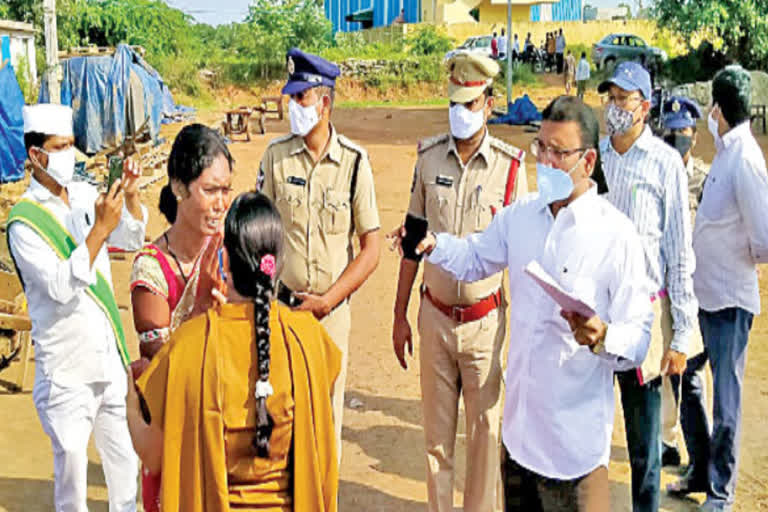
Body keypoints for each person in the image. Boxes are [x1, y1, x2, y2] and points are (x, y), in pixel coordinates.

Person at [410, 95, 653, 512]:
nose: (546, 162)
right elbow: (475, 257)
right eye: (541, 148)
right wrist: (434, 245)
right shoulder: (520, 217)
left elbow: (640, 338)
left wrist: (604, 336)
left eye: (559, 153)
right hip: (520, 444)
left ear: (588, 162)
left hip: (577, 454)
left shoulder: (617, 237)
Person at [126, 191, 342, 511]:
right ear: (279, 263)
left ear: (223, 260)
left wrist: (130, 398)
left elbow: (154, 456)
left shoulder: (189, 346)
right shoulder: (309, 339)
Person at [389, 53, 527, 512]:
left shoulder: (510, 169)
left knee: (486, 437)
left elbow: (523, 254)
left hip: (486, 325)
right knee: (436, 441)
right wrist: (399, 314)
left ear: (489, 104)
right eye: (454, 102)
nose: (459, 112)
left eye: (469, 104)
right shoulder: (428, 159)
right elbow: (412, 240)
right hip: (434, 319)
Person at [7, 104, 146, 511]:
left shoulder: (85, 195)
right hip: (67, 372)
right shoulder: (24, 222)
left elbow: (131, 237)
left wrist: (131, 199)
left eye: (71, 144)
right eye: (60, 146)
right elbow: (59, 286)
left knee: (126, 476)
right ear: (37, 156)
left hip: (107, 360)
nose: (70, 153)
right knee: (73, 488)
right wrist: (100, 229)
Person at [258, 48, 381, 459]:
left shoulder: (354, 164)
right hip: (284, 310)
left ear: (324, 102)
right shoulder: (275, 157)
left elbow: (371, 247)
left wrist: (330, 299)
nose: (293, 106)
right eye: (291, 97)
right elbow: (260, 235)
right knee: (281, 419)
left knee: (326, 423)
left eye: (301, 98)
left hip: (331, 314)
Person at [598, 62, 700, 512]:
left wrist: (681, 335)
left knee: (644, 448)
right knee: (590, 438)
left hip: (641, 322)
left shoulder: (663, 165)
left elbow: (679, 254)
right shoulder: (593, 157)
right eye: (610, 98)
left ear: (644, 106)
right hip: (594, 320)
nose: (613, 108)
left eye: (622, 99)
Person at [129, 123, 233, 511]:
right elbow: (159, 364)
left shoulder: (230, 253)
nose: (221, 203)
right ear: (178, 188)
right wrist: (200, 305)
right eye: (209, 190)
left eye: (226, 190)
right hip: (173, 432)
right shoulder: (151, 269)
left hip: (226, 427)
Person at [686, 66, 768, 511]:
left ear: (717, 107)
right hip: (704, 297)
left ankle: (722, 493)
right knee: (686, 377)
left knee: (727, 400)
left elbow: (766, 238)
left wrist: (735, 254)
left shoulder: (746, 159)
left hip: (730, 301)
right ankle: (700, 468)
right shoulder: (727, 152)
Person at [655, 97, 710, 478]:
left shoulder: (705, 180)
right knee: (663, 368)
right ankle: (667, 440)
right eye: (671, 131)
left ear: (695, 134)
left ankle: (700, 452)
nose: (678, 138)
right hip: (662, 286)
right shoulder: (657, 174)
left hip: (697, 288)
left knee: (691, 372)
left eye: (684, 132)